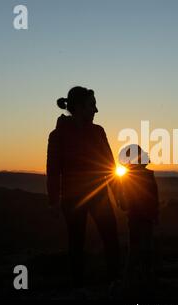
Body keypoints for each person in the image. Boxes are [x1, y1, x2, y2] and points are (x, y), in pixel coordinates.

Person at [46, 86, 120, 286]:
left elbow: (109, 166)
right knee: (78, 242)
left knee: (110, 236)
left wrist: (119, 195)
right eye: (92, 105)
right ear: (78, 107)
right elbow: (53, 172)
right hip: (73, 198)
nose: (96, 110)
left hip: (97, 194)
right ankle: (79, 284)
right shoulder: (58, 135)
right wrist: (53, 202)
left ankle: (115, 279)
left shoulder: (98, 131)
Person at [117, 145, 159, 290]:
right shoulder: (147, 175)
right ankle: (144, 279)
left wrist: (124, 205)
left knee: (135, 249)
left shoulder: (126, 177)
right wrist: (155, 214)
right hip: (143, 217)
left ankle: (130, 281)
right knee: (144, 248)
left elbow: (123, 202)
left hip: (136, 217)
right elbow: (154, 197)